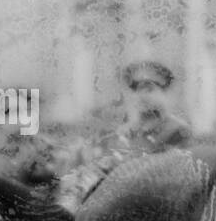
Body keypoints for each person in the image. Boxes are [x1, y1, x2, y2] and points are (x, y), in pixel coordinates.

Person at [55, 58, 190, 213]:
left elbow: (171, 182)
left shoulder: (177, 132)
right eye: (135, 89)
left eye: (149, 88)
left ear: (164, 92)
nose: (141, 95)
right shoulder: (124, 132)